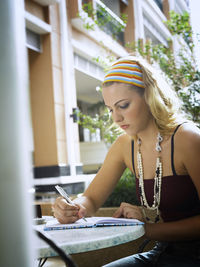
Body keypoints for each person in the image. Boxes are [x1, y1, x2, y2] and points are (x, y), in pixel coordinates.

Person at [53, 56, 200, 266]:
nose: (116, 118)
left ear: (150, 96)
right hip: (163, 253)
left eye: (123, 105)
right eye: (111, 109)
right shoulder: (125, 145)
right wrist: (73, 207)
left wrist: (146, 228)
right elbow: (91, 200)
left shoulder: (188, 138)